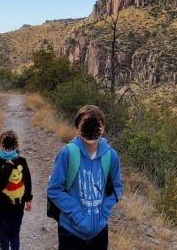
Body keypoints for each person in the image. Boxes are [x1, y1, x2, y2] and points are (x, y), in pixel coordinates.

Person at [47, 105, 123, 250]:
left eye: (96, 125)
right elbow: (54, 189)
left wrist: (104, 212)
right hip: (70, 230)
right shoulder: (67, 154)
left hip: (99, 231)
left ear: (103, 129)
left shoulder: (111, 155)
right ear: (77, 129)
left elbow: (117, 187)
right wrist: (77, 214)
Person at [0, 130, 33, 250]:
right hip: (2, 207)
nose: (8, 150)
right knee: (4, 233)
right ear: (0, 146)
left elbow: (27, 180)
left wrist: (28, 199)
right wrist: (7, 167)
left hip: (18, 206)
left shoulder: (22, 162)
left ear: (16, 146)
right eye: (5, 146)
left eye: (11, 146)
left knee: (14, 233)